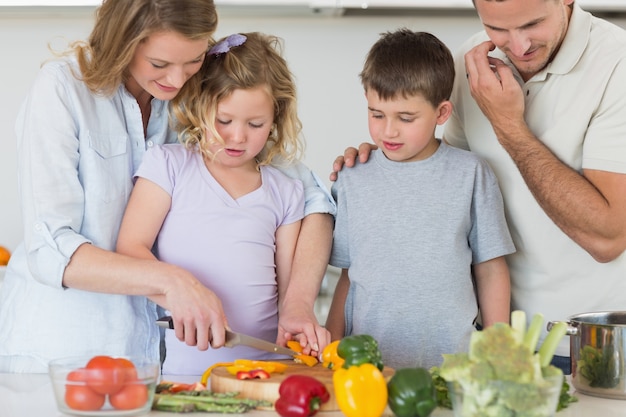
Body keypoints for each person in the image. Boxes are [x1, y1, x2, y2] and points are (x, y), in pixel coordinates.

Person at [0, 0, 334, 374]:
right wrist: (174, 281)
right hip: (63, 352)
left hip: (157, 365)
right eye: (159, 64)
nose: (176, 80)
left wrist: (298, 303)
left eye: (192, 61)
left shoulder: (195, 100)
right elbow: (51, 248)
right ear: (122, 42)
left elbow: (313, 198)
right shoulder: (62, 90)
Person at [332, 0, 626, 374]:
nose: (517, 47)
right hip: (487, 340)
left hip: (581, 343)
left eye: (532, 24)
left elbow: (609, 238)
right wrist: (385, 164)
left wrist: (509, 125)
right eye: (498, 29)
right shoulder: (469, 66)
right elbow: (442, 177)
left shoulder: (617, 65)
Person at [116, 32, 312, 375]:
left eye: (255, 124)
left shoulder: (286, 191)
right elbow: (131, 248)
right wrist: (178, 294)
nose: (237, 136)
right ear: (200, 105)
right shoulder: (168, 165)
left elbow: (287, 295)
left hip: (269, 370)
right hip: (187, 375)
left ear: (275, 119)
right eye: (224, 121)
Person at [325, 29, 514, 370]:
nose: (388, 131)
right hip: (368, 371)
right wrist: (332, 348)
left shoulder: (472, 174)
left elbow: (490, 270)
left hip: (455, 367)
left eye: (406, 118)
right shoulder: (352, 178)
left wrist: (498, 353)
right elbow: (347, 277)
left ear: (442, 113)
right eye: (376, 114)